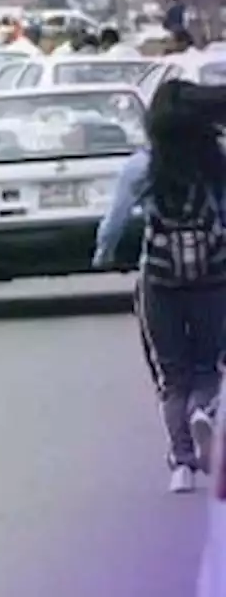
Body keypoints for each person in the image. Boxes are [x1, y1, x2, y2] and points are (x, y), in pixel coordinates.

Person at [93, 79, 226, 493]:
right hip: (213, 277)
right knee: (208, 367)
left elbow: (114, 222)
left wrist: (103, 254)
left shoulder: (142, 166)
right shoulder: (217, 165)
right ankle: (205, 410)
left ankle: (181, 463)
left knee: (172, 375)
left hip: (160, 280)